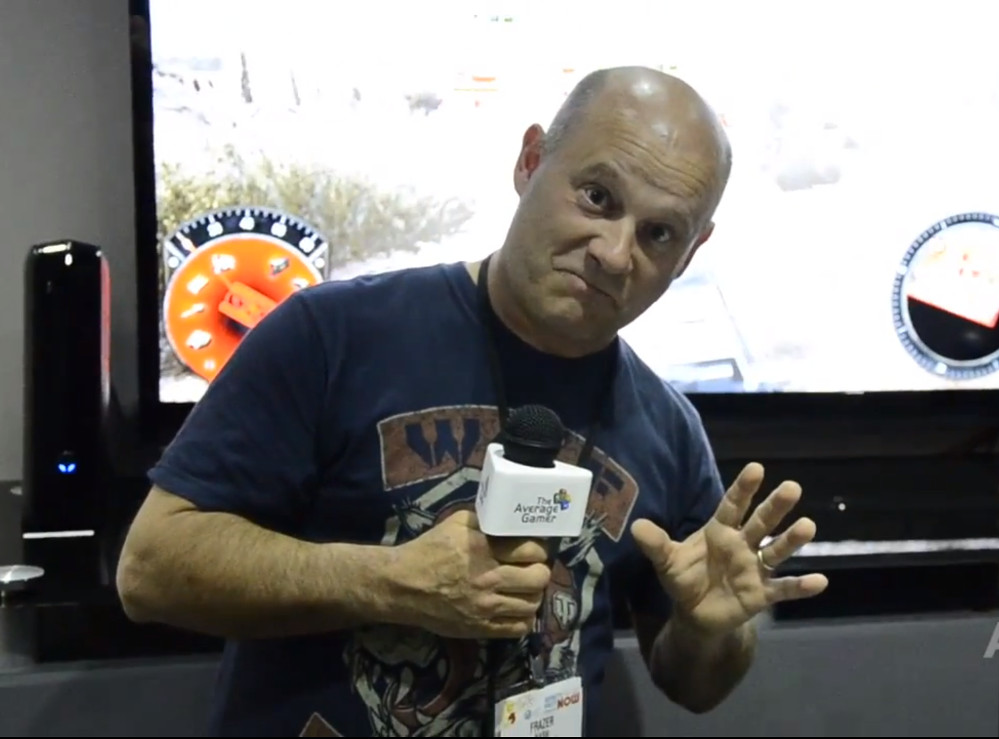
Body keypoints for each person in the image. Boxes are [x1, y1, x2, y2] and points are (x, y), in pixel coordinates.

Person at [116, 65, 829, 737]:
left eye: (659, 233)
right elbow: (150, 570)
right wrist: (389, 582)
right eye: (597, 196)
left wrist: (709, 631)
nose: (614, 253)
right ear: (530, 162)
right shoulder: (331, 334)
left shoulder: (669, 429)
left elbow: (692, 684)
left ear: (690, 253)